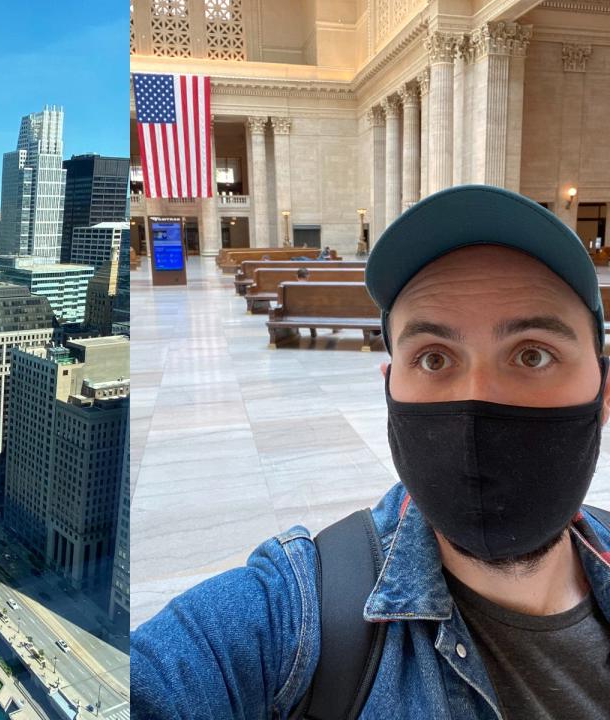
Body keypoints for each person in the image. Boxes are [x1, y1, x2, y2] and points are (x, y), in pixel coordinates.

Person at [131, 185, 610, 719]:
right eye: (433, 359)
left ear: (604, 393)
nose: (477, 398)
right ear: (389, 389)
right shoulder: (295, 619)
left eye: (532, 354)